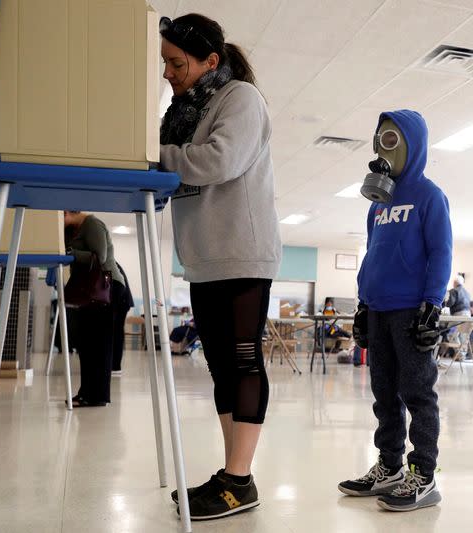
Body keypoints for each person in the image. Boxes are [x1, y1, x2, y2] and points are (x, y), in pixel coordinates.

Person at [158, 13, 282, 520]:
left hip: (242, 251)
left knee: (244, 360)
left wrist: (154, 156)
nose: (167, 72)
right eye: (164, 62)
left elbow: (218, 161)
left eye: (175, 62)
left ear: (211, 60)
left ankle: (238, 479)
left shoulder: (240, 99)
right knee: (220, 367)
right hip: (204, 257)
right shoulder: (186, 107)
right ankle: (236, 475)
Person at [339, 109, 452, 512]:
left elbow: (441, 252)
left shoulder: (430, 196)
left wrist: (432, 306)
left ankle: (423, 474)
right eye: (380, 138)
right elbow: (373, 255)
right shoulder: (379, 202)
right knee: (383, 393)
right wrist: (362, 304)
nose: (383, 146)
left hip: (410, 311)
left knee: (418, 394)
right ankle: (389, 466)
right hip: (379, 309)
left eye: (392, 139)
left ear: (412, 145)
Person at [63, 211, 128, 407]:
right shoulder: (73, 230)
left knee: (99, 344)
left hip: (107, 288)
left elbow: (100, 256)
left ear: (67, 211)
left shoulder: (92, 224)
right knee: (86, 343)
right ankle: (86, 393)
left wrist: (69, 253)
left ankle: (97, 396)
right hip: (90, 290)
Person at [111, 263, 134, 375]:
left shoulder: (105, 261)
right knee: (115, 333)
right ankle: (114, 365)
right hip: (120, 298)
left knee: (116, 333)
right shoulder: (109, 261)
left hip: (121, 300)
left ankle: (115, 366)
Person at [444, 275, 472, 357]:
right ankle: (462, 355)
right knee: (463, 335)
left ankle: (459, 354)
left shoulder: (454, 291)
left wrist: (445, 300)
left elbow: (450, 303)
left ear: (455, 283)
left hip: (458, 315)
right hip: (468, 315)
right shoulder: (467, 292)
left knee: (451, 333)